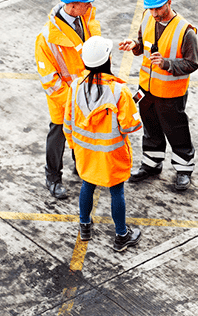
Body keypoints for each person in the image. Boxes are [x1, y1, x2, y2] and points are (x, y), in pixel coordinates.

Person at [118, 0, 198, 191]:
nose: (154, 13)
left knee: (176, 130)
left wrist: (166, 64)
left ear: (169, 2)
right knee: (150, 128)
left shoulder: (185, 31)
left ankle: (184, 169)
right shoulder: (146, 18)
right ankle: (152, 164)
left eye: (158, 7)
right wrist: (134, 46)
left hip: (171, 93)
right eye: (151, 8)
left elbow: (192, 63)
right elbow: (141, 43)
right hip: (147, 89)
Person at [64, 36, 142, 251]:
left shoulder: (75, 86)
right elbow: (130, 127)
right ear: (107, 59)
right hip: (111, 154)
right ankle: (121, 236)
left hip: (84, 151)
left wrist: (73, 144)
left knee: (87, 184)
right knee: (117, 192)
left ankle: (85, 226)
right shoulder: (119, 91)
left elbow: (68, 121)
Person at [35, 0, 101, 199]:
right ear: (73, 6)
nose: (90, 5)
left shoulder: (83, 18)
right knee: (58, 135)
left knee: (82, 134)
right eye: (86, 3)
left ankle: (80, 166)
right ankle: (52, 177)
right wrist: (73, 101)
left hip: (86, 92)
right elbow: (50, 81)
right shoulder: (47, 38)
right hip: (64, 99)